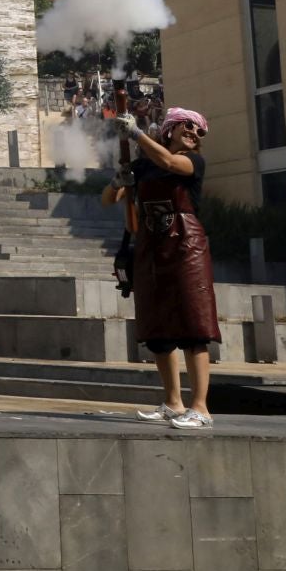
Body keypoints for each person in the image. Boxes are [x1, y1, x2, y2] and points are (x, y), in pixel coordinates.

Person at [103, 108, 217, 431]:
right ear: (169, 129)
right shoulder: (143, 166)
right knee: (159, 331)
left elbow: (168, 162)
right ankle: (173, 402)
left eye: (198, 132)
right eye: (188, 127)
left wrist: (135, 134)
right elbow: (108, 200)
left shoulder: (193, 163)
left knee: (194, 327)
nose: (194, 133)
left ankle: (201, 407)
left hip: (186, 248)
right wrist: (116, 182)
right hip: (152, 247)